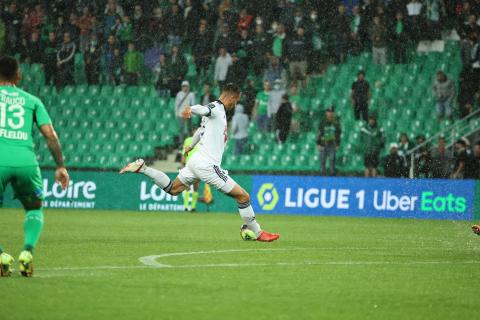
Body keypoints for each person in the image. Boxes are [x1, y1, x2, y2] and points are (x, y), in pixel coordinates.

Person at [120, 83, 279, 242]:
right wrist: (191, 109)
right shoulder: (216, 108)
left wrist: (191, 145)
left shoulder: (218, 113)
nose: (235, 104)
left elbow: (201, 130)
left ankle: (143, 168)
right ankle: (258, 232)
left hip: (196, 160)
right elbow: (203, 108)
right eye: (235, 100)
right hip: (207, 165)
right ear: (230, 96)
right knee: (243, 196)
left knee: (173, 189)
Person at [0, 56, 69, 277]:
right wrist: (60, 166)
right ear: (18, 75)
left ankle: (1, 256)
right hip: (26, 162)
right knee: (34, 208)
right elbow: (50, 135)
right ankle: (27, 252)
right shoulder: (32, 100)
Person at [317, 106, 341, 176]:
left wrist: (338, 144)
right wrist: (318, 143)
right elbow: (319, 133)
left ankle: (332, 180)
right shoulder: (322, 122)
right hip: (323, 144)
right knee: (322, 162)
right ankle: (322, 179)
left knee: (332, 162)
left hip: (332, 145)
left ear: (333, 113)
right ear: (326, 113)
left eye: (331, 112)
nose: (330, 113)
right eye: (328, 112)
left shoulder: (336, 123)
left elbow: (338, 134)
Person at [181, 128, 200, 212]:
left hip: (198, 166)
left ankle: (193, 207)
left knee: (196, 186)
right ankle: (185, 206)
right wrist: (183, 163)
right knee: (187, 186)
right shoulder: (188, 140)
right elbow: (184, 151)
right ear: (192, 131)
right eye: (194, 130)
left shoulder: (203, 140)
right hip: (188, 165)